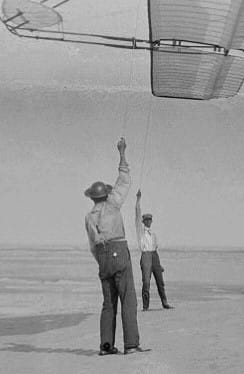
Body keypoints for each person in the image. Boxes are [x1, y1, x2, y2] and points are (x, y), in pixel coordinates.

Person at [83, 137, 148, 356]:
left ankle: (106, 346)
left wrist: (102, 260)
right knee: (128, 299)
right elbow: (124, 181)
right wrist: (121, 153)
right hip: (118, 251)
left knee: (108, 303)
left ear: (93, 197)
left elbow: (92, 245)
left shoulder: (89, 217)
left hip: (102, 258)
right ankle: (131, 344)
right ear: (105, 194)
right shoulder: (112, 204)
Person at [135, 190, 173, 311]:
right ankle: (146, 306)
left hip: (154, 255)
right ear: (143, 221)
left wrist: (158, 264)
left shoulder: (154, 233)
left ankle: (165, 302)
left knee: (160, 281)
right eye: (146, 220)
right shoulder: (141, 231)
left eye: (150, 220)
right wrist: (138, 200)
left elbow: (156, 248)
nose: (148, 222)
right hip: (146, 255)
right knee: (146, 282)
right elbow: (137, 214)